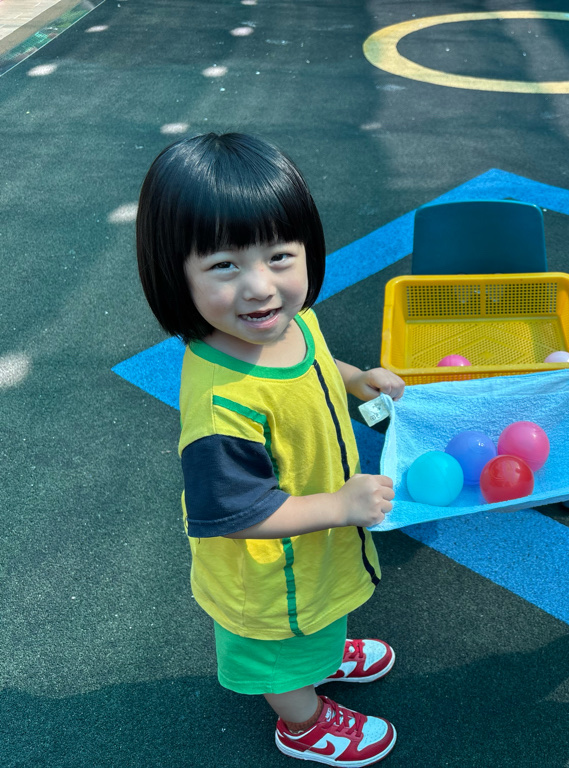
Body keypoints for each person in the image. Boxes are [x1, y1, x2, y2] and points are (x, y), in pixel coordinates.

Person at [136, 132, 406, 764]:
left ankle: (322, 653)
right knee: (276, 653)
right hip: (268, 568)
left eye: (280, 256)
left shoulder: (291, 321)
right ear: (174, 273)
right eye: (224, 266)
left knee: (315, 613)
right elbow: (238, 514)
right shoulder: (222, 404)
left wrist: (355, 379)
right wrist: (340, 506)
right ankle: (303, 721)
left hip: (312, 540)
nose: (260, 287)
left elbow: (315, 362)